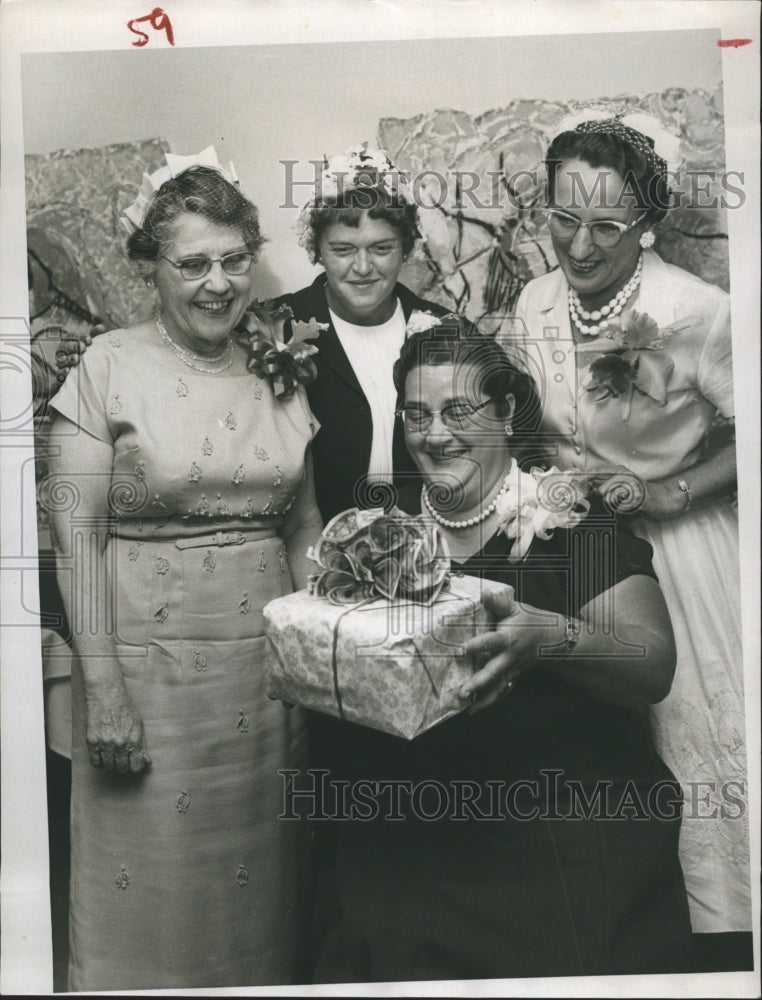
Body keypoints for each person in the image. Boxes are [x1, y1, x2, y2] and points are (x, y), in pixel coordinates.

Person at [310, 316, 693, 982]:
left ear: (507, 411)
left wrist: (549, 639)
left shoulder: (567, 518)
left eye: (458, 410)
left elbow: (651, 660)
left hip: (557, 841)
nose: (435, 434)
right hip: (418, 842)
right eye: (418, 414)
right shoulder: (383, 525)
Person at [46, 152, 323, 991]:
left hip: (267, 688)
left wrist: (323, 658)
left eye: (235, 259)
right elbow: (75, 535)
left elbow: (303, 522)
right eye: (193, 263)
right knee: (151, 910)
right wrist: (108, 693)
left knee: (265, 905)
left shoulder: (279, 358)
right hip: (146, 686)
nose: (218, 283)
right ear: (150, 267)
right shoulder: (108, 365)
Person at [508, 109, 750, 969]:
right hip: (584, 558)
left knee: (693, 750)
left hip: (684, 555)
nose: (578, 246)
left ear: (647, 224)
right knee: (600, 760)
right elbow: (527, 426)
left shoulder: (697, 311)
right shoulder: (535, 303)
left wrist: (665, 486)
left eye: (605, 227)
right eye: (562, 220)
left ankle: (719, 953)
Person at [273, 146, 449, 522]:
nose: (364, 267)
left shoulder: (444, 328)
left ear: (406, 248)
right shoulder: (280, 325)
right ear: (317, 250)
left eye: (381, 248)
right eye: (343, 250)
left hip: (424, 538)